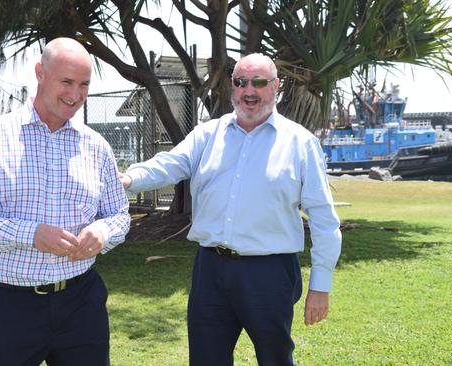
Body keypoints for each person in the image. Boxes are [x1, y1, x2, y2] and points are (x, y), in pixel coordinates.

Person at [120, 53, 342, 366]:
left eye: (259, 82)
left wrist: (321, 286)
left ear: (275, 86)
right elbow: (168, 165)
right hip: (211, 270)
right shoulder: (207, 135)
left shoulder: (300, 143)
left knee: (275, 359)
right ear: (232, 87)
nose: (249, 91)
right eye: (240, 82)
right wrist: (129, 178)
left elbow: (323, 221)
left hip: (270, 273)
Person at [0, 37, 130, 366]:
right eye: (66, 82)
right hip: (5, 305)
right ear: (40, 73)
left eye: (84, 84)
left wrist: (103, 232)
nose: (75, 95)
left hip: (80, 302)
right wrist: (28, 234)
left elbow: (119, 215)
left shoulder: (96, 146)